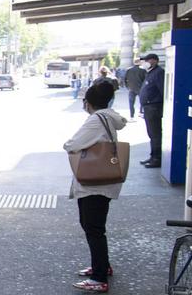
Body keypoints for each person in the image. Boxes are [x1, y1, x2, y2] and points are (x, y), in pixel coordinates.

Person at [64, 82, 126, 293]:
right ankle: (102, 266)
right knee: (95, 226)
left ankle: (99, 277)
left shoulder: (96, 120)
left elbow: (71, 144)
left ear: (88, 102)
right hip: (103, 182)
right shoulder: (109, 117)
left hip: (94, 183)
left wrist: (70, 145)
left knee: (93, 228)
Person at [138, 53, 165, 168]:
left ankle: (157, 158)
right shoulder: (150, 73)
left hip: (154, 107)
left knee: (155, 134)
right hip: (148, 107)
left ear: (154, 60)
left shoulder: (158, 72)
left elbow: (162, 89)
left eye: (147, 60)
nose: (144, 62)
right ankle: (153, 156)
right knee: (151, 134)